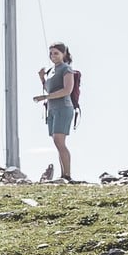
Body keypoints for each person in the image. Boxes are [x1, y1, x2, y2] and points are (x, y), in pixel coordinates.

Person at [33, 42, 77, 181]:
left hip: (63, 108)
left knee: (60, 141)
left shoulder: (66, 69)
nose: (53, 56)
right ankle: (64, 175)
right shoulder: (52, 71)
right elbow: (50, 89)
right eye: (51, 53)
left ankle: (67, 175)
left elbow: (66, 90)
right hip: (52, 109)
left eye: (56, 53)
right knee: (57, 142)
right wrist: (42, 78)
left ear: (63, 54)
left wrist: (45, 97)